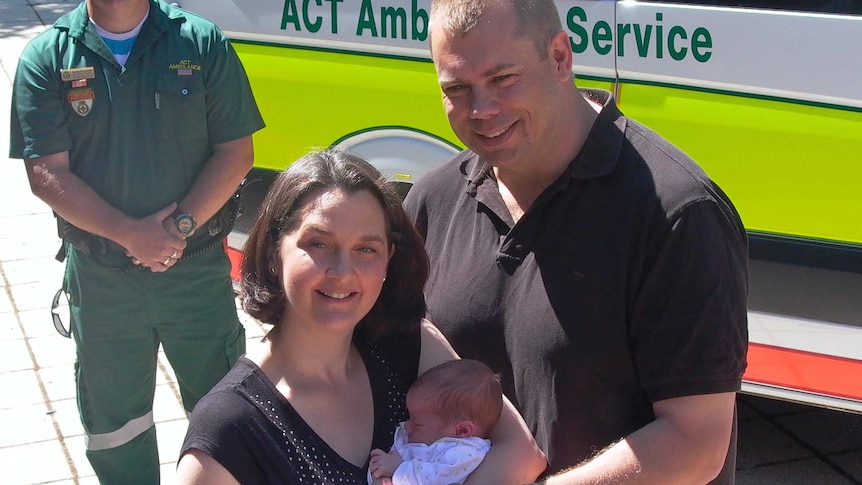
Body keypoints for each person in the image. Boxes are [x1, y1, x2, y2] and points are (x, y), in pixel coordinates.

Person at [403, 0, 749, 483]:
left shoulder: (677, 214)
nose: (481, 109)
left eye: (503, 78)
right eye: (457, 89)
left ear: (561, 57)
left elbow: (695, 442)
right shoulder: (433, 200)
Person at [175, 149, 546, 485]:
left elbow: (523, 455)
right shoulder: (230, 428)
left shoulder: (409, 347)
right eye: (318, 243)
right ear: (274, 253)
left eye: (366, 248)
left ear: (389, 259)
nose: (342, 271)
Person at [8, 0, 264, 482]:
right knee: (115, 429)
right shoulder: (48, 55)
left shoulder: (200, 43)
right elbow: (45, 173)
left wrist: (177, 228)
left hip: (195, 274)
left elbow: (236, 152)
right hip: (103, 283)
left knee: (227, 416)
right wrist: (131, 235)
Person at [368, 359, 502, 485]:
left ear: (461, 431)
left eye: (418, 424)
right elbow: (394, 457)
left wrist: (397, 467)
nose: (407, 426)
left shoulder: (465, 454)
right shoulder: (418, 437)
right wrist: (381, 473)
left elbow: (434, 479)